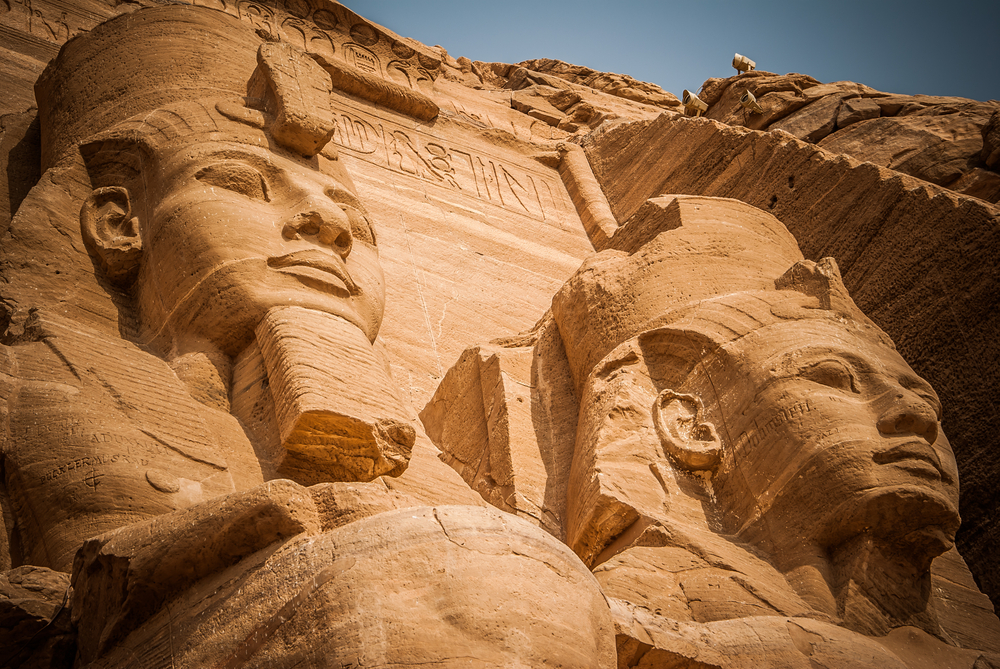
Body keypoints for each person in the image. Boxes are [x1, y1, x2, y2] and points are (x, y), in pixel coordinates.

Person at [0, 6, 616, 667]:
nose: (325, 223)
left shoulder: (418, 457)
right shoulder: (49, 380)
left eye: (354, 217)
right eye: (244, 184)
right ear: (120, 223)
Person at [426, 194, 1000, 666]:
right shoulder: (573, 627)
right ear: (689, 424)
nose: (918, 415)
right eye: (834, 378)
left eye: (922, 393)